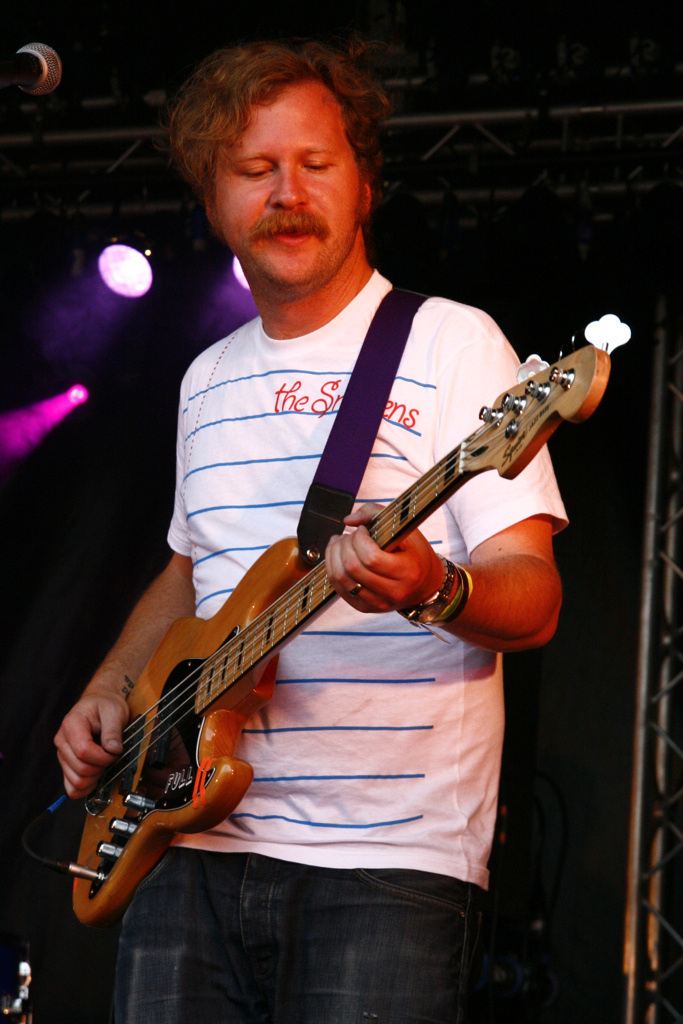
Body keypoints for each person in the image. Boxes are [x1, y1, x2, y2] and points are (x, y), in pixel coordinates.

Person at [54, 38, 566, 1024]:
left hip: (382, 863)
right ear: (214, 197)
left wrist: (432, 584)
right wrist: (111, 686)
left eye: (314, 164)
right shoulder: (204, 378)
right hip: (184, 833)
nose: (286, 191)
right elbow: (193, 564)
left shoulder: (453, 344)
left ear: (362, 183)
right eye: (254, 169)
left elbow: (531, 596)